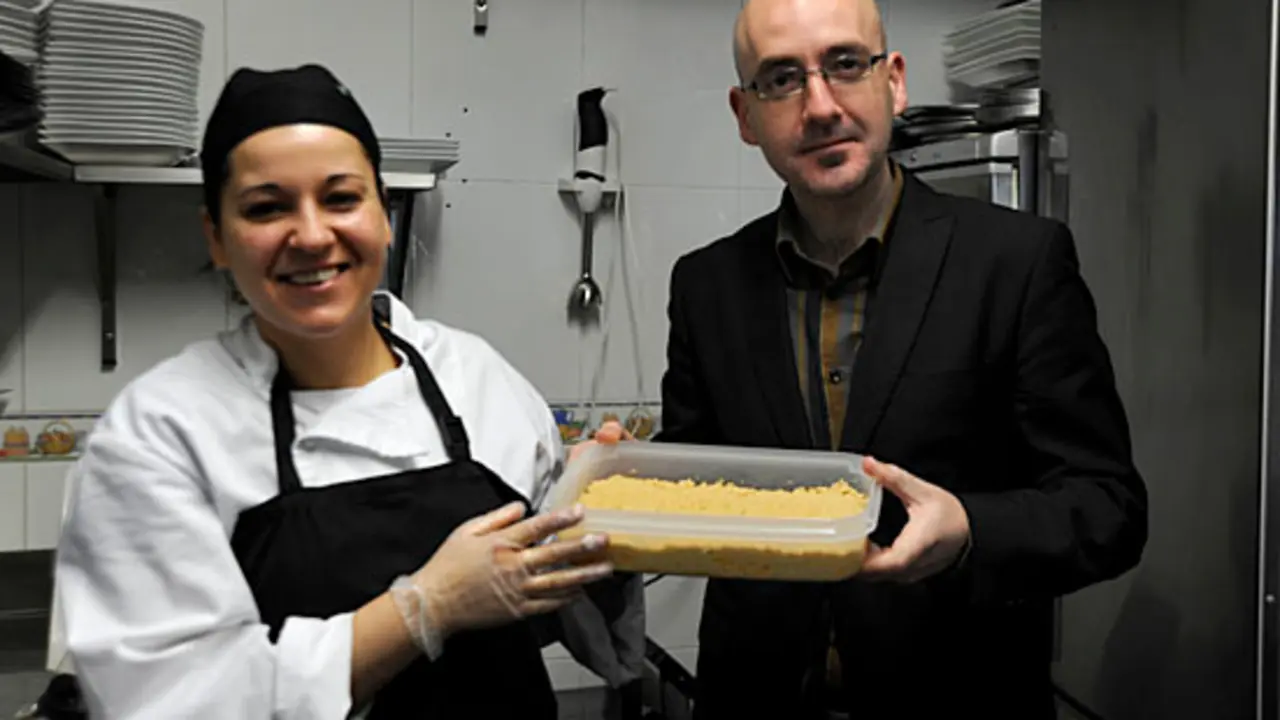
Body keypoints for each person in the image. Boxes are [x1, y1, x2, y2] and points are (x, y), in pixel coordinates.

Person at [589, 0, 1149, 717]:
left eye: (846, 64)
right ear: (744, 114)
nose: (820, 106)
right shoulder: (706, 286)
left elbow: (1108, 508)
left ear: (895, 82)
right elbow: (708, 476)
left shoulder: (1018, 262)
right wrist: (630, 485)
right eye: (782, 79)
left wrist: (969, 531)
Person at [51, 64, 639, 719]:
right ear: (216, 236)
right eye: (266, 207)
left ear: (382, 215)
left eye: (340, 198)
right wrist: (424, 607)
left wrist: (596, 513)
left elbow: (558, 605)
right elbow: (168, 700)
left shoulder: (477, 379)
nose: (310, 235)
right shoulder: (162, 435)